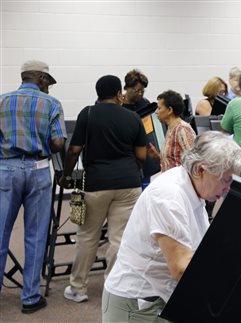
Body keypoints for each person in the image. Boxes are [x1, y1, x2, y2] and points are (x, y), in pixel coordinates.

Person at [102, 131, 241, 322]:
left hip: (159, 296)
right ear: (201, 170)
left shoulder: (193, 187)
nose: (228, 188)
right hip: (137, 304)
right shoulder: (169, 196)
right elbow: (181, 268)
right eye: (226, 180)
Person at [58, 75, 148, 303]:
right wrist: (127, 169)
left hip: (96, 183)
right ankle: (113, 288)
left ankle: (78, 288)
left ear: (98, 93)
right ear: (119, 93)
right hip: (128, 184)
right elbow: (141, 155)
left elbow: (74, 150)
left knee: (87, 235)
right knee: (120, 238)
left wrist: (67, 177)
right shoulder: (133, 117)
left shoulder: (87, 114)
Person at [0, 60, 66, 314]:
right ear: (40, 78)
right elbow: (58, 142)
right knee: (36, 235)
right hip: (38, 172)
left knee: (1, 233)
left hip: (6, 170)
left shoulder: (2, 101)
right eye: (47, 81)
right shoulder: (51, 104)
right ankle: (30, 297)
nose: (48, 87)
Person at [147, 90, 196, 172]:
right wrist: (157, 157)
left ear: (169, 110)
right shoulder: (171, 129)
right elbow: (173, 161)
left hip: (180, 183)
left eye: (159, 108)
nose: (156, 112)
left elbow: (193, 162)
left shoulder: (182, 129)